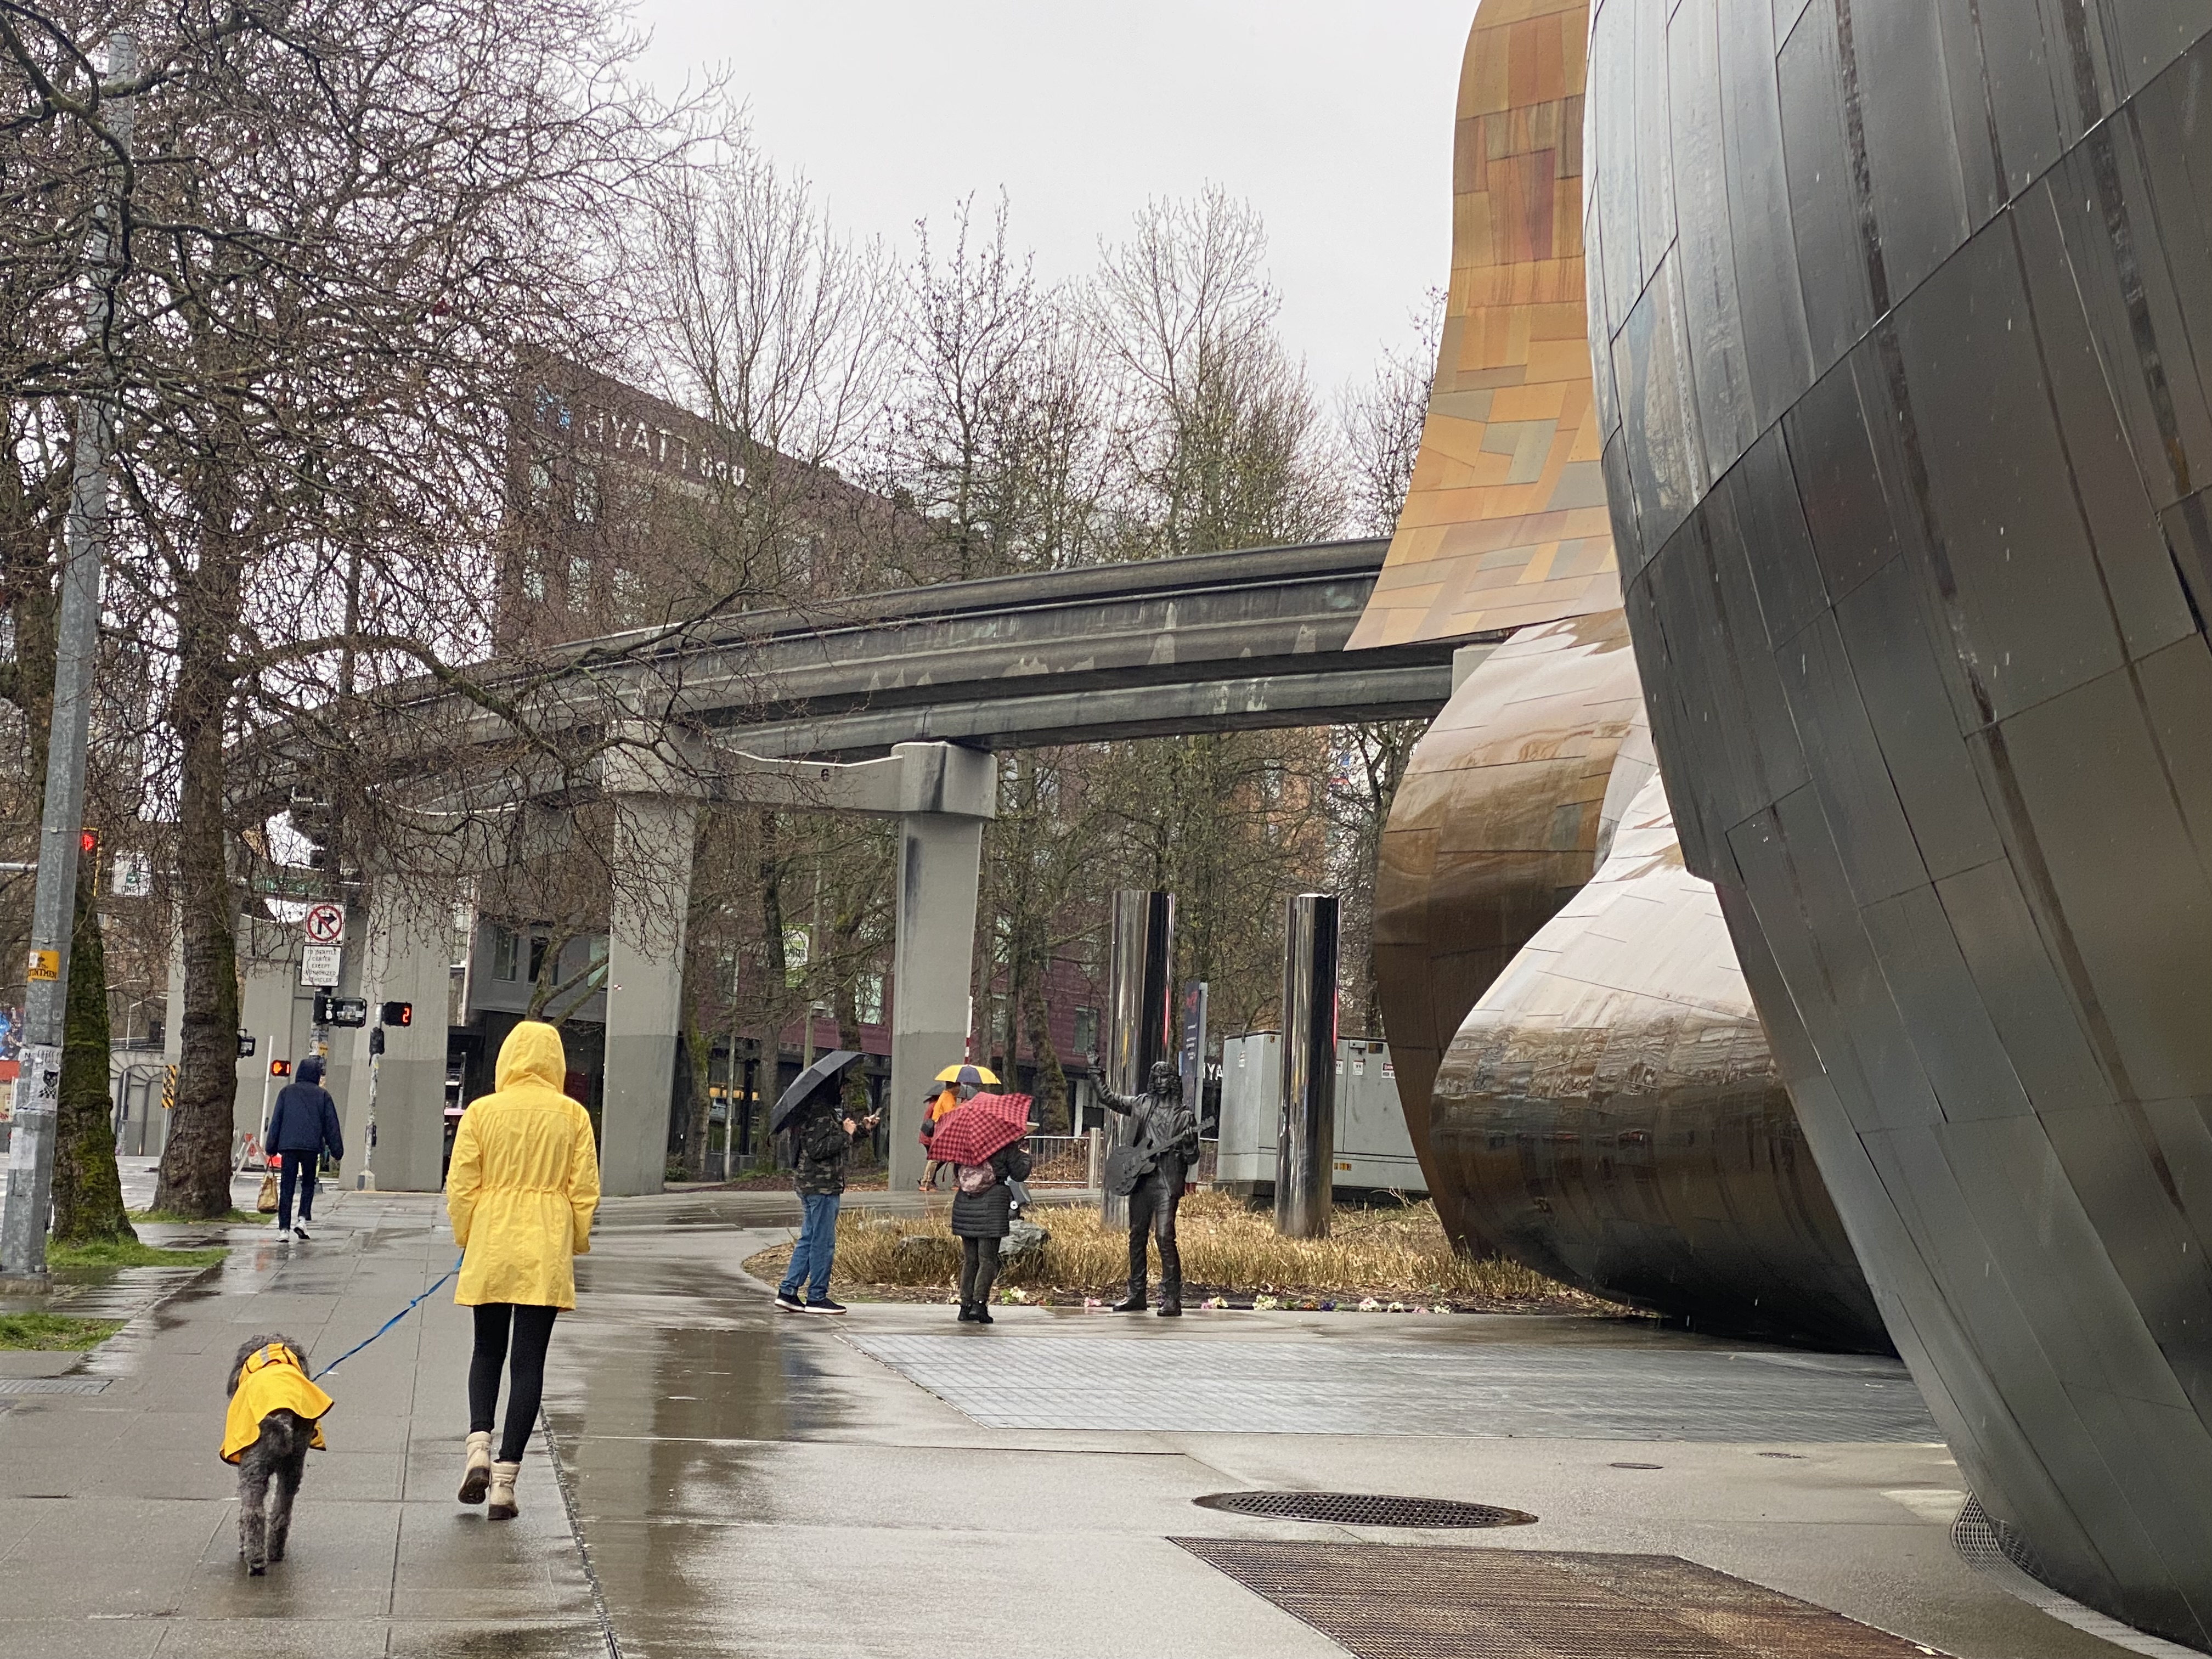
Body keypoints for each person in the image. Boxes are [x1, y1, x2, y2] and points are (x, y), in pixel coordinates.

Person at [445, 1020, 600, 1521]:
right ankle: (506, 1483)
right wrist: (574, 1240)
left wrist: (468, 1235)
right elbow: (584, 1190)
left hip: (492, 1237)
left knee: (486, 1349)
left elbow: (461, 1185)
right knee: (529, 1363)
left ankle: (477, 1447)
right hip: (544, 1244)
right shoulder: (572, 1116)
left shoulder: (481, 1112)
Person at [1101, 1060, 1200, 1316]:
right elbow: (1109, 1099)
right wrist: (1094, 1071)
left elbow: (1192, 1157)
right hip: (1141, 1179)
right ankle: (1136, 1294)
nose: (1159, 1082)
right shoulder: (1142, 1104)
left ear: (1173, 1081)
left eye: (1164, 1077)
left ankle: (1172, 1298)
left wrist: (1189, 1145)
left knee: (1164, 1237)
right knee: (1137, 1235)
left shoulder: (1184, 1116)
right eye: (1156, 1077)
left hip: (1166, 1181)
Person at [776, 1085, 881, 1315]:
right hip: (821, 1186)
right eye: (841, 1087)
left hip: (811, 1184)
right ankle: (817, 1296)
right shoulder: (820, 1112)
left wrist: (862, 1129)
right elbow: (818, 1148)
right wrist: (846, 1134)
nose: (842, 1091)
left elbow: (830, 1140)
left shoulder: (813, 1109)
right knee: (823, 1243)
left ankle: (788, 1292)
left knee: (809, 1239)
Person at [950, 1136, 1032, 1324]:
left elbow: (958, 1172)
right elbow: (1019, 1174)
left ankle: (965, 1306)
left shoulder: (964, 1143)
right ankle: (979, 1304)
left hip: (965, 1204)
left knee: (970, 1260)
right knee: (987, 1259)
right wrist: (1025, 1156)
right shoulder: (1003, 1144)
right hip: (992, 1204)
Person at [264, 1056, 343, 1240]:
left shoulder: (286, 1093)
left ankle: (284, 1229)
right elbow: (331, 1126)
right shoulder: (323, 1096)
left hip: (289, 1146)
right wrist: (337, 1151)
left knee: (287, 1186)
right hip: (311, 1147)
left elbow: (277, 1121)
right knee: (308, 1184)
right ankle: (302, 1219)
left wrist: (271, 1147)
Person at [917, 1065, 981, 1192]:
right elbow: (950, 1114)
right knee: (936, 1158)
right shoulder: (947, 1097)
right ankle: (926, 1182)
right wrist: (962, 1107)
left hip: (942, 1130)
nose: (959, 1090)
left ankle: (951, 1182)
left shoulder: (947, 1097)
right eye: (958, 1087)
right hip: (942, 1131)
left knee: (950, 1157)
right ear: (954, 1087)